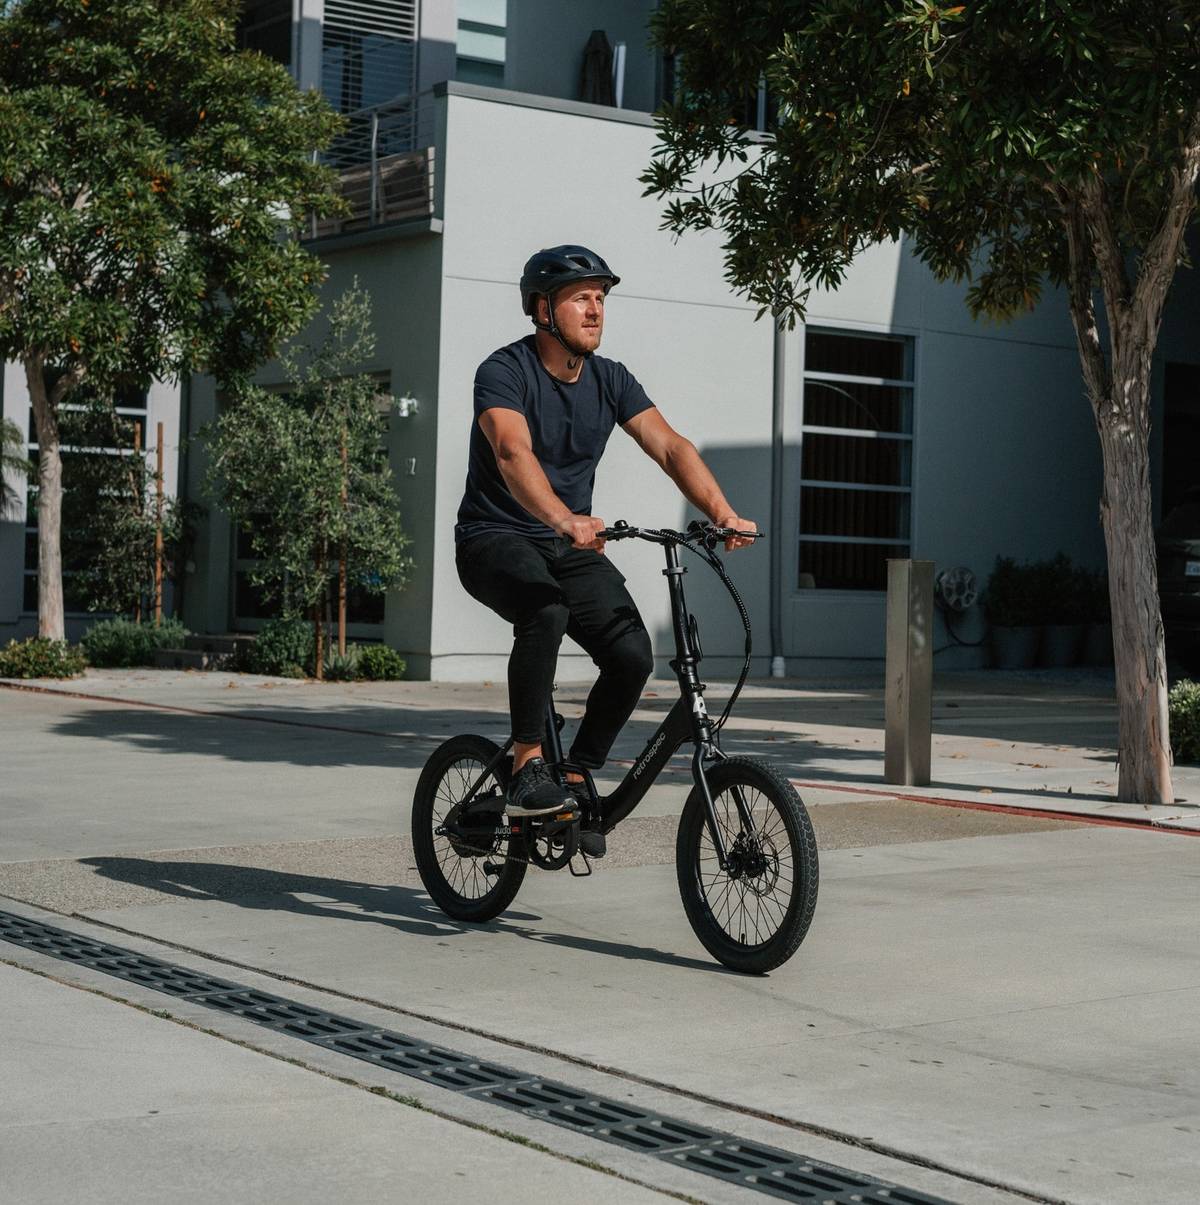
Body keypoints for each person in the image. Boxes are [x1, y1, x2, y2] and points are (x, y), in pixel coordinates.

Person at [454, 245, 757, 845]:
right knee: (544, 608)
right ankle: (527, 765)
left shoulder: (610, 379)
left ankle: (573, 771)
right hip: (495, 537)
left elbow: (669, 447)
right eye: (580, 298)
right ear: (543, 309)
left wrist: (722, 513)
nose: (595, 311)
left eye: (601, 299)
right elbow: (513, 452)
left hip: (569, 543)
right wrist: (564, 516)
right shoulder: (503, 371)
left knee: (633, 656)